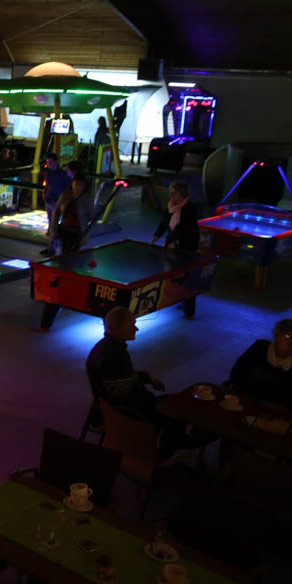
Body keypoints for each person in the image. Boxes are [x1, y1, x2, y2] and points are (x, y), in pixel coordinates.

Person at [86, 307, 187, 454]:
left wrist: (146, 377)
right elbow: (125, 395)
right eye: (132, 325)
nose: (136, 328)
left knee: (172, 404)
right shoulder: (114, 356)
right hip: (127, 411)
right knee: (175, 410)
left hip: (113, 406)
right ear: (116, 328)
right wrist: (155, 402)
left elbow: (120, 381)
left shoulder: (103, 347)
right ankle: (164, 456)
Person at [225, 319, 292, 412]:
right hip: (243, 403)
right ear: (277, 336)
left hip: (274, 413)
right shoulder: (259, 348)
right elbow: (236, 374)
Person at [151, 180, 200, 316]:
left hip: (186, 246)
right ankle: (176, 297)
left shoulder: (189, 208)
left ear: (181, 194)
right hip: (172, 244)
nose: (171, 195)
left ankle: (189, 310)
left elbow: (189, 229)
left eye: (174, 193)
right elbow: (164, 222)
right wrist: (157, 235)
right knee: (173, 272)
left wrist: (177, 242)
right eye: (171, 192)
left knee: (187, 276)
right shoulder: (171, 206)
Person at [48, 175, 94, 255]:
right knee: (63, 252)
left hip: (78, 232)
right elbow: (56, 213)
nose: (78, 187)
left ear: (84, 186)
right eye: (76, 184)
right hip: (65, 230)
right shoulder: (65, 195)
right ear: (72, 184)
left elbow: (93, 217)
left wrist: (86, 235)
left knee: (73, 254)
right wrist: (53, 229)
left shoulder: (86, 199)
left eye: (80, 185)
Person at [39, 155, 70, 255]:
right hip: (50, 200)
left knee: (53, 224)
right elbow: (49, 185)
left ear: (56, 162)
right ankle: (52, 247)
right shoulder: (49, 173)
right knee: (51, 223)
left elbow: (66, 188)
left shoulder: (61, 174)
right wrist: (45, 192)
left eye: (51, 162)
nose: (49, 164)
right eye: (48, 162)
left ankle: (51, 247)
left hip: (56, 201)